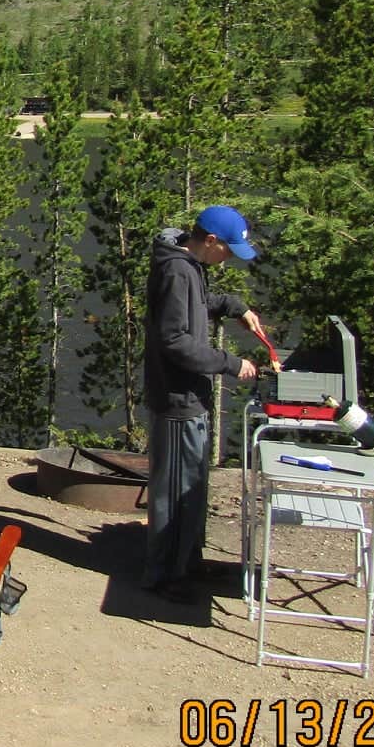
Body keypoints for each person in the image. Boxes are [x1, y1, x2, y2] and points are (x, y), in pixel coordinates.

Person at [142, 203, 264, 601]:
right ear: (210, 240)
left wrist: (234, 306)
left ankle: (187, 562)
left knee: (192, 489)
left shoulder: (189, 264)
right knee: (176, 493)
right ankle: (165, 576)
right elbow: (174, 340)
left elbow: (197, 304)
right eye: (227, 250)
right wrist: (231, 363)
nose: (229, 258)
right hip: (177, 398)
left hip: (189, 396)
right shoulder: (177, 270)